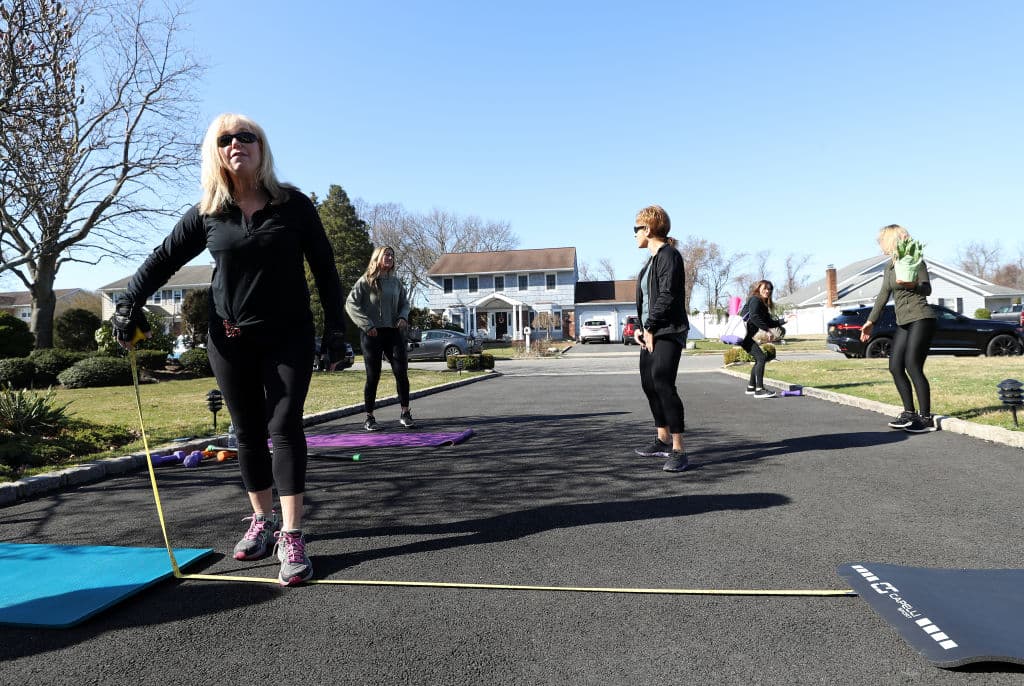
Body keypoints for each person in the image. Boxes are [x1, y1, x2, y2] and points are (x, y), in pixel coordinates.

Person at [112, 113, 347, 586]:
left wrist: (337, 332)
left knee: (282, 426)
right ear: (215, 151)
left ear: (261, 147)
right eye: (225, 139)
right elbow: (162, 258)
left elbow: (325, 270)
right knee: (245, 431)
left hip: (288, 337)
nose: (236, 143)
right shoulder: (208, 211)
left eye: (246, 136)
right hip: (229, 338)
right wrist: (127, 304)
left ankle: (293, 534)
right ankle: (261, 521)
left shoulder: (294, 205)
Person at [630, 205, 691, 473]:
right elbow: (646, 301)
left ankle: (679, 449)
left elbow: (667, 295)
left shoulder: (669, 256)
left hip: (668, 330)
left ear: (648, 229)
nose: (633, 235)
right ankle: (662, 438)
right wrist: (639, 327)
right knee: (649, 384)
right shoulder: (650, 263)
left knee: (664, 382)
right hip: (651, 331)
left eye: (636, 229)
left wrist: (651, 327)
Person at [860, 224, 937, 433]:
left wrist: (913, 285)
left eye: (881, 241)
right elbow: (883, 295)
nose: (880, 246)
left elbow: (927, 288)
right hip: (903, 321)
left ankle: (926, 418)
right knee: (895, 366)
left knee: (912, 365)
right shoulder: (890, 267)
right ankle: (909, 413)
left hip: (921, 317)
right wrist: (871, 321)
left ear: (892, 239)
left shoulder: (914, 259)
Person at [345, 245, 415, 431]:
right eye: (387, 255)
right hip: (372, 334)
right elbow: (351, 304)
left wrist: (402, 317)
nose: (390, 257)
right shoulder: (366, 281)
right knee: (373, 375)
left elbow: (405, 304)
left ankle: (405, 412)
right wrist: (367, 325)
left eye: (392, 255)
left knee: (401, 373)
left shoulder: (396, 282)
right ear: (377, 258)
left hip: (393, 333)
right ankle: (369, 417)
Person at [740, 280, 785, 399]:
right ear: (759, 289)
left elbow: (769, 322)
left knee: (759, 358)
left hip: (746, 337)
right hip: (743, 336)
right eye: (765, 288)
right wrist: (767, 331)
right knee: (761, 358)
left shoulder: (763, 304)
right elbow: (754, 317)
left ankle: (751, 387)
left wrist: (784, 320)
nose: (767, 291)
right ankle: (759, 390)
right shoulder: (755, 300)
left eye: (769, 289)